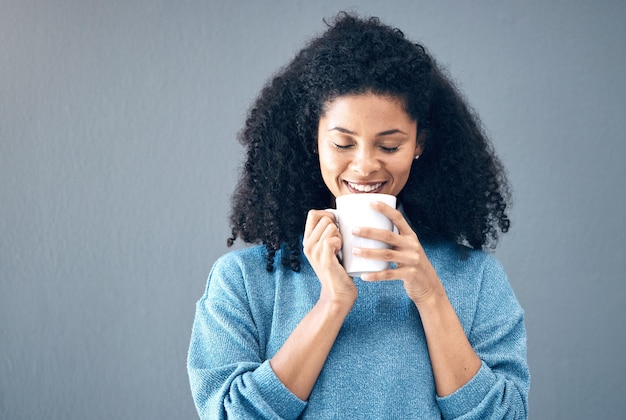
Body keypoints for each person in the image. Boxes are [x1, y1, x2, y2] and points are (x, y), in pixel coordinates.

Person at [188, 12, 530, 419]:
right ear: (313, 140)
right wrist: (332, 303)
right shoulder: (243, 281)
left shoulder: (475, 280)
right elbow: (229, 414)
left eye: (389, 146)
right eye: (342, 143)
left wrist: (431, 296)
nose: (365, 166)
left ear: (419, 143)